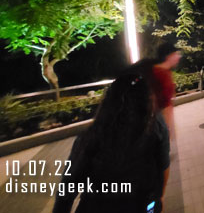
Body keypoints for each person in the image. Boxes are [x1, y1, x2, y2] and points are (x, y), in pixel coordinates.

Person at [53, 70, 170, 213]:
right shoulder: (156, 125)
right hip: (142, 205)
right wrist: (159, 198)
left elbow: (67, 190)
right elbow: (163, 166)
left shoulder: (92, 136)